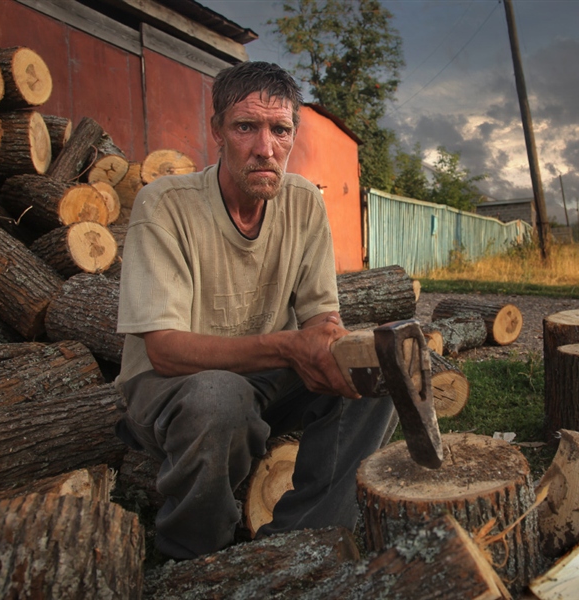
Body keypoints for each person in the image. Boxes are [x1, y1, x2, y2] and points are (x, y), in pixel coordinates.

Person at [113, 61, 394, 560]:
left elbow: (320, 316)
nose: (265, 148)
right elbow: (164, 351)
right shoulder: (165, 205)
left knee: (374, 368)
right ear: (217, 129)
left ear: (292, 137)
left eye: (279, 130)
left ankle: (296, 547)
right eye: (247, 127)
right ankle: (192, 559)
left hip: (263, 377)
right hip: (172, 385)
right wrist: (288, 345)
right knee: (219, 398)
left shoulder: (304, 202)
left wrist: (331, 343)